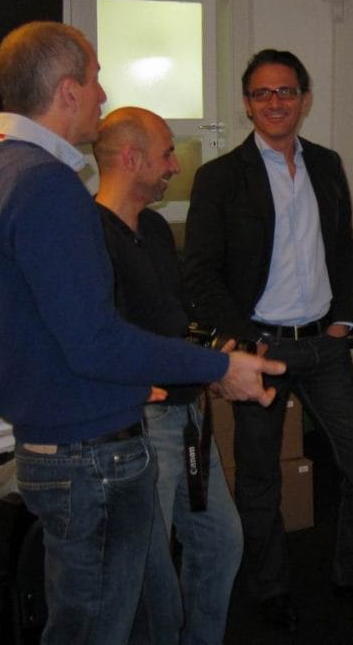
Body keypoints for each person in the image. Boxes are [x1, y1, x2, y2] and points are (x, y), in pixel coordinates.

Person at [0, 21, 283, 645]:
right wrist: (219, 367)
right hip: (90, 455)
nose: (102, 96)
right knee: (95, 630)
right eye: (96, 80)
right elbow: (96, 341)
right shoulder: (47, 185)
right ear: (67, 90)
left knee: (140, 619)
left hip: (50, 447)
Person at [183, 48, 353, 630]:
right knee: (259, 477)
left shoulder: (326, 163)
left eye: (287, 91)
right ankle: (269, 588)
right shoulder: (220, 178)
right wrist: (243, 341)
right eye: (263, 93)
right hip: (261, 350)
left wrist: (344, 318)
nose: (276, 102)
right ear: (247, 105)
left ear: (304, 99)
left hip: (324, 344)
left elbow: (342, 246)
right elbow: (199, 273)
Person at [93, 106, 243, 645]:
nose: (175, 167)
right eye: (167, 154)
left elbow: (174, 318)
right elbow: (107, 341)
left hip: (188, 416)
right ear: (131, 159)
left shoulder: (155, 228)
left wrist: (212, 356)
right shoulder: (90, 237)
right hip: (141, 424)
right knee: (147, 569)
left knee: (220, 542)